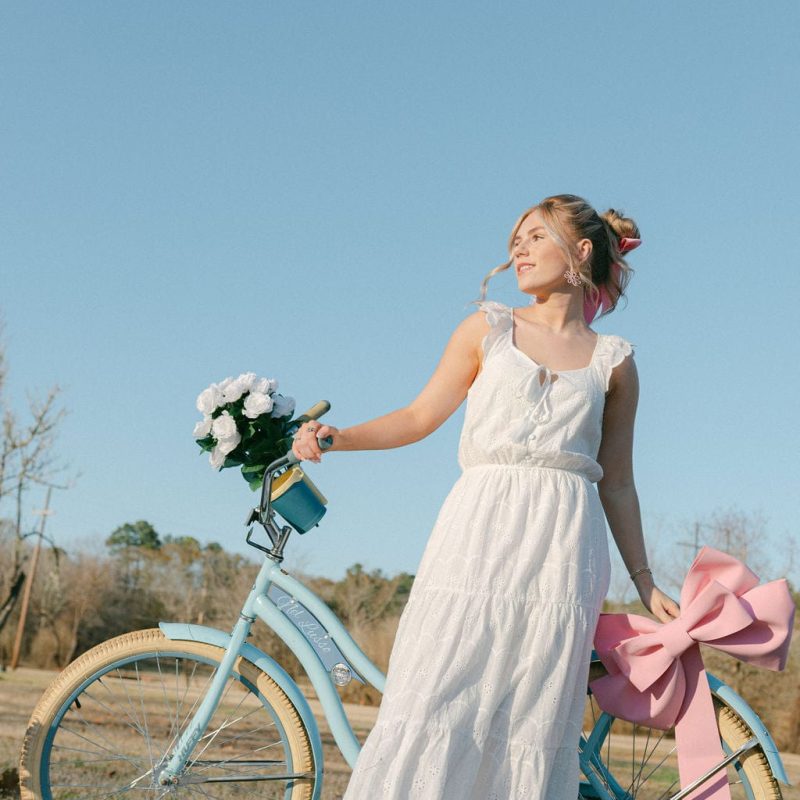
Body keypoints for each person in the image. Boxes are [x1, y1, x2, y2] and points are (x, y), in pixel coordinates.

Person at [291, 193, 680, 799]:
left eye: (536, 236)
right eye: (515, 240)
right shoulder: (489, 328)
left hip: (564, 544)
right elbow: (418, 417)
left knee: (531, 712)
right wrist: (339, 438)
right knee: (436, 690)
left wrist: (645, 580)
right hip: (480, 527)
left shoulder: (614, 363)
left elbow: (619, 481)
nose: (518, 249)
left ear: (581, 251)